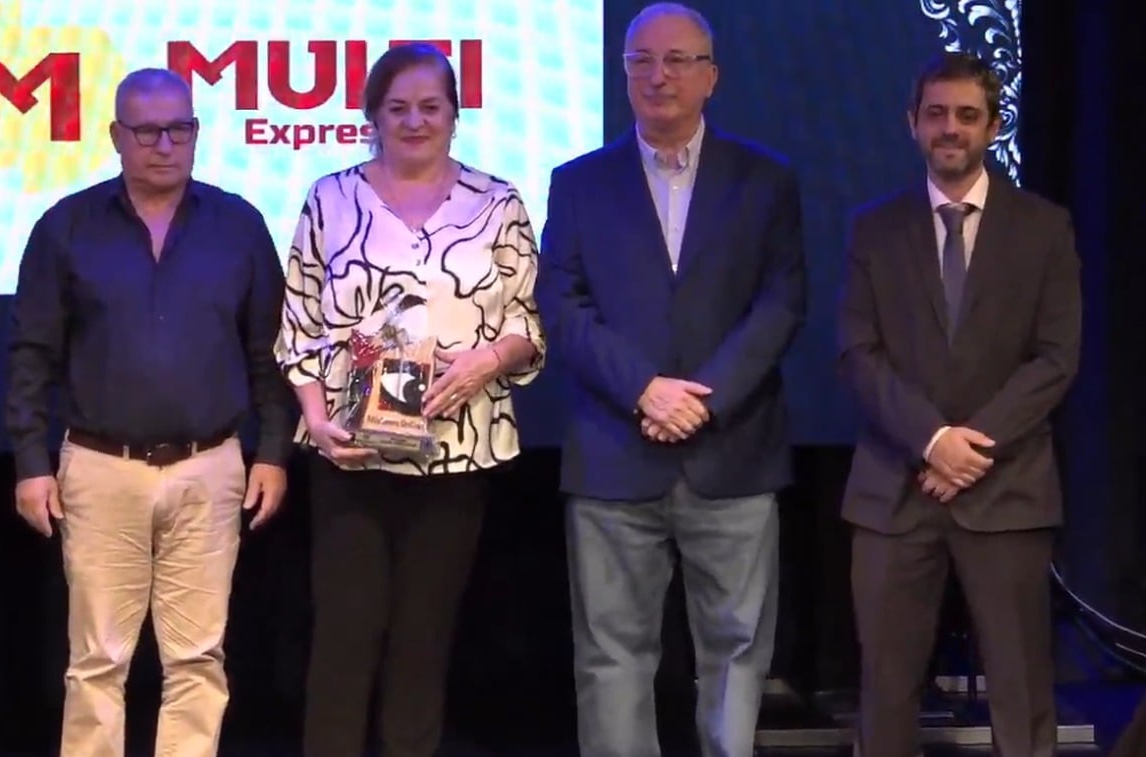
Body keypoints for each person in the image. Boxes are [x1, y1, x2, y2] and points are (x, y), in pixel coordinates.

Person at [538, 4, 807, 755]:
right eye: (642, 60)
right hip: (613, 455)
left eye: (679, 60)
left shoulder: (765, 180)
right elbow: (561, 305)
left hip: (734, 454)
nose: (659, 75)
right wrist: (644, 390)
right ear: (623, 72)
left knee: (737, 651)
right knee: (611, 656)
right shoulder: (579, 183)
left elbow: (782, 303)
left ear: (711, 76)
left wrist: (703, 400)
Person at [4, 68, 291, 757]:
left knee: (198, 657)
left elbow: (270, 352)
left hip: (211, 466)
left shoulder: (239, 225)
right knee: (98, 659)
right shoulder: (66, 227)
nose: (165, 144)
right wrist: (30, 463)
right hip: (100, 466)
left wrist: (274, 452)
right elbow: (31, 356)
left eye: (180, 129)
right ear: (115, 136)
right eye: (148, 131)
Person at [275, 42, 545, 757]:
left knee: (423, 643)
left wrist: (488, 359)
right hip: (350, 454)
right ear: (372, 117)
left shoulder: (498, 202)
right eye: (398, 108)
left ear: (455, 115)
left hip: (457, 455)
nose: (415, 121)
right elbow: (298, 325)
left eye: (430, 106)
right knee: (344, 639)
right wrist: (314, 419)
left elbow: (528, 324)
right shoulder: (330, 198)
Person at [836, 51, 1081, 757]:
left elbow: (1056, 357)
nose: (951, 128)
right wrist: (933, 441)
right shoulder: (874, 229)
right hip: (894, 488)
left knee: (1022, 691)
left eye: (967, 115)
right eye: (937, 114)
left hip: (1008, 489)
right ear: (912, 123)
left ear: (994, 126)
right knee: (885, 692)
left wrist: (971, 448)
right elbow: (857, 353)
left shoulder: (1044, 227)